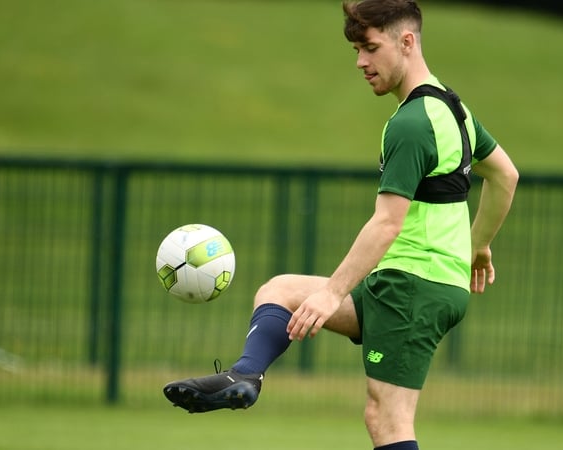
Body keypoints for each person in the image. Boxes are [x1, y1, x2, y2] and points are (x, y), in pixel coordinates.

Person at [163, 1, 519, 448]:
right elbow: (505, 174)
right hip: (415, 283)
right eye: (356, 50)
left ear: (406, 42)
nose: (360, 62)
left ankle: (251, 373)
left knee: (386, 418)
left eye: (370, 48)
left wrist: (332, 293)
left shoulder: (410, 124)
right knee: (282, 291)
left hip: (412, 287)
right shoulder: (453, 109)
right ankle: (245, 375)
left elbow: (387, 223)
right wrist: (477, 246)